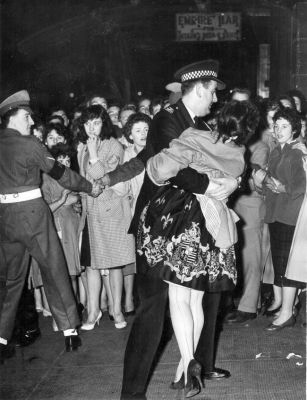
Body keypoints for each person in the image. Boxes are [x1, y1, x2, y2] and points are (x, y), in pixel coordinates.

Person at [100, 60, 238, 400]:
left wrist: (231, 180)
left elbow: (222, 156)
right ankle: (132, 392)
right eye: (212, 94)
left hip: (191, 221)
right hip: (160, 226)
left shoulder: (198, 123)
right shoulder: (166, 120)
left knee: (201, 295)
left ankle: (193, 368)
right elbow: (170, 167)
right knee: (153, 308)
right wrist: (211, 184)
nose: (215, 101)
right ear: (201, 88)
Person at [142, 100, 258, 396]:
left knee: (178, 298)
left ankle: (191, 361)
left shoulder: (195, 136)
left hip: (183, 218)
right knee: (195, 300)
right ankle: (184, 370)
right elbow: (232, 183)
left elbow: (159, 170)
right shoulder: (239, 154)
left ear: (221, 118)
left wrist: (160, 160)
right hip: (214, 223)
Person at [0, 90, 102, 363]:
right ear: (12, 118)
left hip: (5, 218)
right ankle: (70, 331)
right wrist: (89, 186)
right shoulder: (29, 144)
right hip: (33, 215)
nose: (31, 122)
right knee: (54, 268)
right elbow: (61, 173)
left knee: (10, 279)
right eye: (26, 117)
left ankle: (0, 338)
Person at [77, 105, 135, 330]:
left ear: (105, 124)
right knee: (91, 265)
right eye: (88, 123)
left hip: (110, 212)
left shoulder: (114, 146)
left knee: (114, 265)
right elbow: (84, 181)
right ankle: (92, 312)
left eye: (97, 122)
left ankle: (116, 310)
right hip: (90, 213)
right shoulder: (81, 147)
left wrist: (93, 155)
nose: (92, 127)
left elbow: (102, 178)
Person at [253, 108, 306, 330]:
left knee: (288, 264)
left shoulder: (298, 152)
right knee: (279, 263)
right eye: (276, 126)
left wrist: (280, 186)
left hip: (291, 214)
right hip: (275, 213)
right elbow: (270, 183)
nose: (279, 130)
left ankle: (287, 312)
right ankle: (287, 307)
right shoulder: (276, 151)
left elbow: (300, 186)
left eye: (284, 126)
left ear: (295, 128)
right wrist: (263, 180)